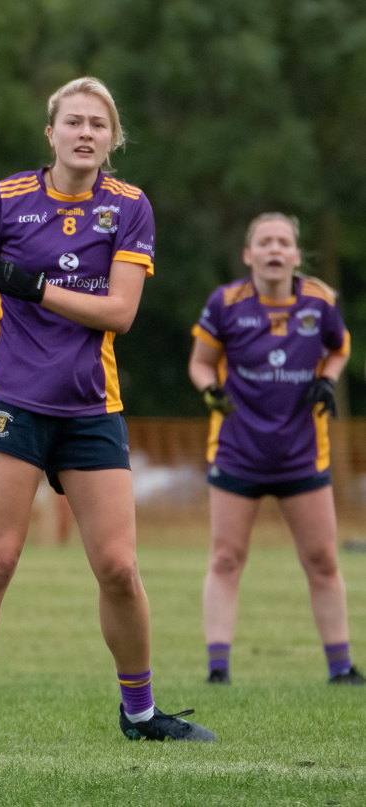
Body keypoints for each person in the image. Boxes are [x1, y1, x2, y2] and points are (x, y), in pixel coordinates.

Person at [0, 76, 215, 744]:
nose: (86, 133)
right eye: (74, 121)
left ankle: (140, 712)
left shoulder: (129, 207)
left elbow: (120, 311)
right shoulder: (3, 202)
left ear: (112, 140)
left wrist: (36, 287)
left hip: (92, 407)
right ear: (51, 131)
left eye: (99, 124)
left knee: (118, 567)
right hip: (14, 404)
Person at [189, 212, 362, 686]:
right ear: (248, 255)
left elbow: (340, 348)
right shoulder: (226, 303)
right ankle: (218, 670)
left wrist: (327, 379)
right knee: (225, 559)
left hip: (302, 452)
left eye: (283, 242)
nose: (274, 250)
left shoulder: (320, 301)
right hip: (237, 450)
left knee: (323, 560)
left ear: (296, 255)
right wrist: (211, 391)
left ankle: (341, 668)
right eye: (264, 242)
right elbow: (201, 364)